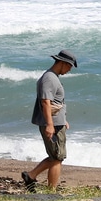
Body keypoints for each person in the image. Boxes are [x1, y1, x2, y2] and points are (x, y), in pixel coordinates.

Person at [21, 50, 77, 192]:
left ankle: (31, 176)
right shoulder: (49, 78)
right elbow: (46, 102)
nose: (69, 70)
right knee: (57, 158)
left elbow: (56, 103)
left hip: (58, 123)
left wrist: (63, 119)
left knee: (55, 156)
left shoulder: (53, 77)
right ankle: (51, 191)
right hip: (53, 125)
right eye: (69, 66)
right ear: (62, 63)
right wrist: (50, 125)